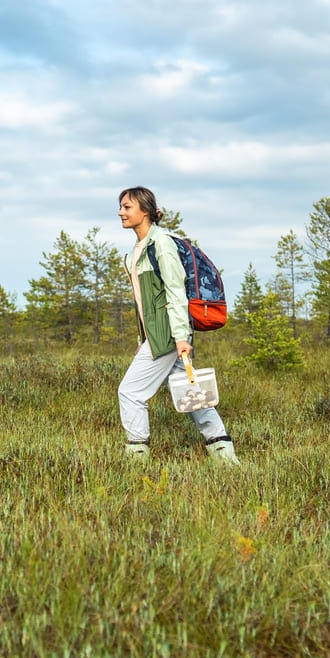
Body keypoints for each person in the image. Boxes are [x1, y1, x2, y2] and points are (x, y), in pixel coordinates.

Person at [116, 186, 239, 464]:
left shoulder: (162, 244)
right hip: (160, 335)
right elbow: (145, 304)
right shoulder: (138, 250)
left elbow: (174, 292)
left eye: (127, 207)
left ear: (145, 211)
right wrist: (142, 341)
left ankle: (136, 460)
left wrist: (181, 337)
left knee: (130, 392)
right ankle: (226, 459)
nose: (121, 212)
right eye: (121, 207)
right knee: (192, 392)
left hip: (170, 334)